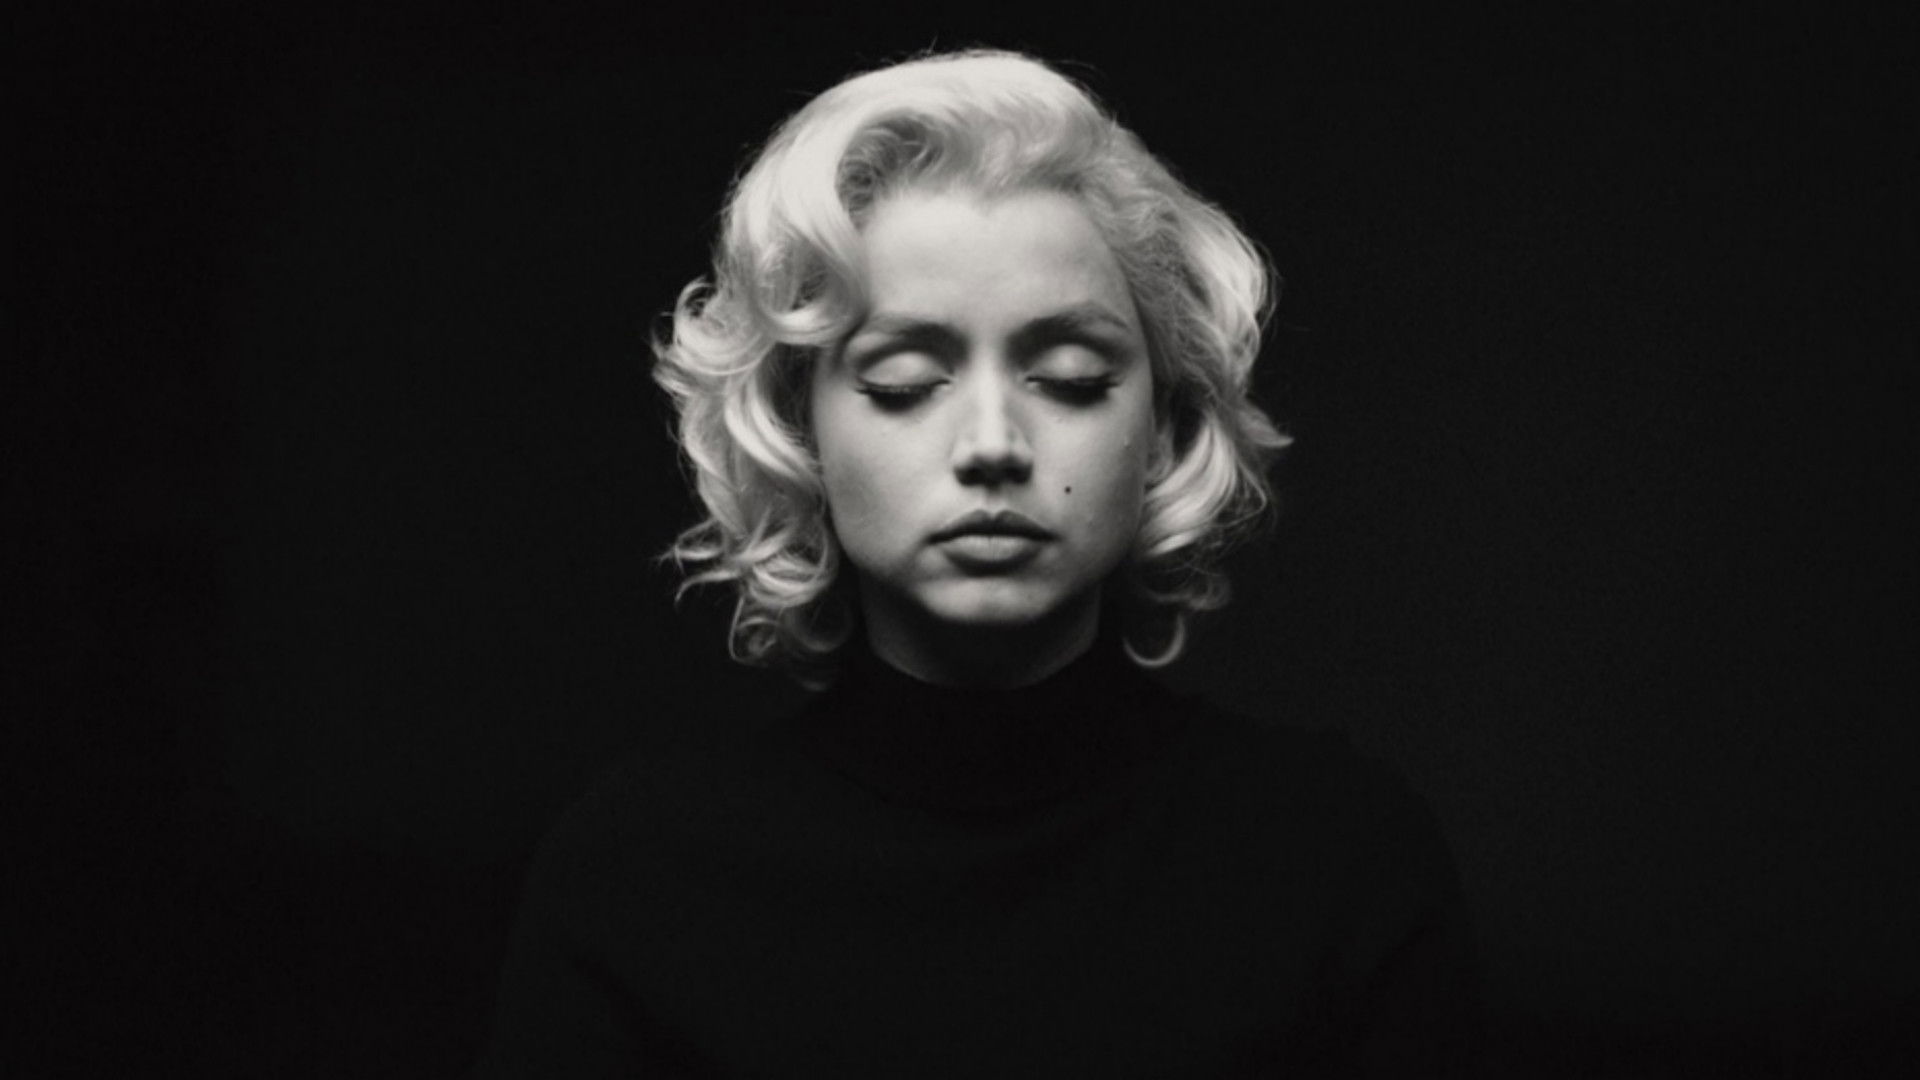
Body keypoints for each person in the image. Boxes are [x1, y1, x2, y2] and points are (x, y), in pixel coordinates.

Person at [475, 49, 1483, 1077]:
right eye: (905, 382)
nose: (993, 444)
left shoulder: (1340, 865)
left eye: (1071, 378)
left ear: (1166, 427)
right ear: (799, 429)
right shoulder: (637, 880)